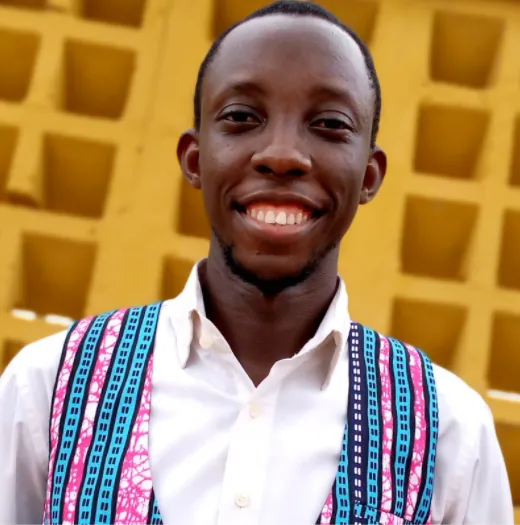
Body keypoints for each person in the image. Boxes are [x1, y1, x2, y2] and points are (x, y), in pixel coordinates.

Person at [0, 1, 514, 524]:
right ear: (195, 160)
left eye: (330, 123)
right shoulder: (49, 390)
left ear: (369, 176)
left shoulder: (450, 432)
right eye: (242, 117)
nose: (283, 153)